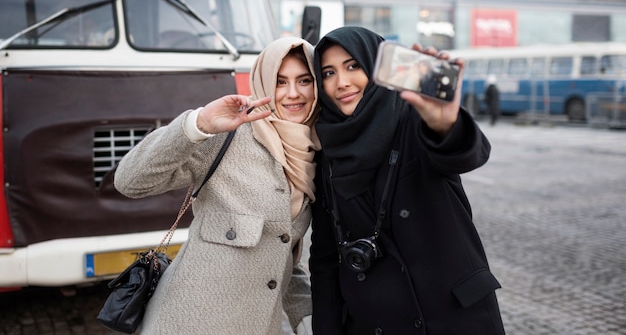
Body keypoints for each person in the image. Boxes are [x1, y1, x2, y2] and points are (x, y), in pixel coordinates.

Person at [114, 37, 319, 334]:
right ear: (262, 82)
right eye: (279, 81)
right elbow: (130, 182)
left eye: (304, 80)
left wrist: (304, 315)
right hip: (188, 323)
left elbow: (283, 250)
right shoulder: (230, 137)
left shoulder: (314, 153)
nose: (293, 93)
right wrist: (197, 125)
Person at [309, 26, 505, 334]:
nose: (341, 83)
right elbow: (324, 260)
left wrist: (446, 124)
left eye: (353, 66)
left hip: (453, 316)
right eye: (328, 73)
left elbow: (466, 155)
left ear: (377, 69)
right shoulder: (327, 149)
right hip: (375, 322)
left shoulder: (415, 118)